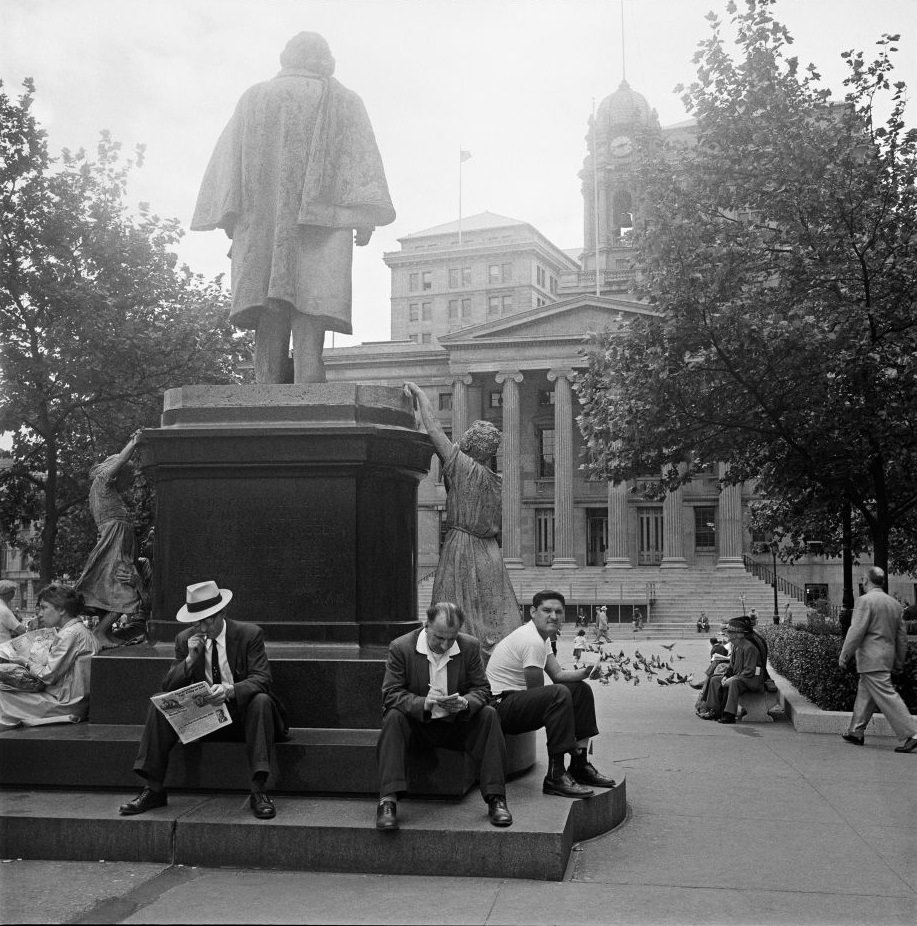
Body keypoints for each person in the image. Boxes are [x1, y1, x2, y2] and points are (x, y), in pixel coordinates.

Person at [191, 32, 395, 385]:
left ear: (286, 57)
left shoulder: (255, 98)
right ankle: (308, 385)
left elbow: (226, 167)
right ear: (325, 58)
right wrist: (364, 218)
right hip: (325, 224)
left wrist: (231, 217)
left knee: (270, 310)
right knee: (311, 308)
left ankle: (265, 388)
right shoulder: (345, 100)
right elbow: (362, 168)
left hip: (262, 224)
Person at [118, 581, 289, 820]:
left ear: (222, 614)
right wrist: (189, 661)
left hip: (242, 716)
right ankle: (154, 788)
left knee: (261, 700)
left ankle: (259, 790)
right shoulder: (185, 640)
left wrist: (231, 690)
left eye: (206, 620)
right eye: (195, 621)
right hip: (205, 719)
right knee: (159, 703)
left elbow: (262, 679)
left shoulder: (249, 634)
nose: (201, 627)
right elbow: (168, 687)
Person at [404, 381, 520, 658]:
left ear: (469, 442)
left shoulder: (462, 466)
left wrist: (420, 395)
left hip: (462, 548)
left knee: (451, 608)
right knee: (490, 619)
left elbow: (434, 430)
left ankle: (455, 663)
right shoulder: (495, 480)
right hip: (489, 553)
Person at [375, 602, 511, 832]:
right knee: (393, 717)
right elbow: (390, 694)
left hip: (456, 724)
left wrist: (466, 703)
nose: (445, 644)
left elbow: (483, 690)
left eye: (451, 638)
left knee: (488, 715)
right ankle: (387, 801)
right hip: (418, 725)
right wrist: (423, 703)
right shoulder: (401, 647)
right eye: (439, 638)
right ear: (426, 626)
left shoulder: (469, 646)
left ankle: (496, 799)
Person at [486, 590, 616, 799]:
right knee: (559, 694)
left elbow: (557, 674)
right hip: (499, 706)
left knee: (581, 690)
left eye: (558, 612)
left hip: (514, 701)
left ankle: (579, 765)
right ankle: (555, 775)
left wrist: (585, 673)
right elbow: (538, 694)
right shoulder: (532, 640)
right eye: (547, 610)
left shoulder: (542, 637)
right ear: (532, 612)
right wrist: (568, 734)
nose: (553, 616)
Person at [75, 430, 144, 648]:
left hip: (118, 541)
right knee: (124, 592)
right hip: (114, 541)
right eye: (128, 480)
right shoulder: (102, 481)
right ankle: (100, 632)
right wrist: (133, 443)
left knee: (120, 588)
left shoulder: (107, 489)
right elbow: (121, 459)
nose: (129, 485)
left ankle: (102, 633)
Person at [838, 567, 917, 754]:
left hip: (871, 658)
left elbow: (856, 631)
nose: (862, 581)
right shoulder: (894, 604)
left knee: (887, 696)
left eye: (863, 579)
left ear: (867, 580)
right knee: (865, 693)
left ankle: (912, 734)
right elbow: (902, 637)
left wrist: (844, 655)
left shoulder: (864, 601)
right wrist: (898, 660)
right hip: (885, 658)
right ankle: (856, 731)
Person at [0, 584, 99, 729]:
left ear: (61, 610)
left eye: (44, 607)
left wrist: (25, 662)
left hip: (65, 704)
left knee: (2, 696)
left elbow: (48, 675)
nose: (40, 614)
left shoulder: (70, 634)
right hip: (68, 698)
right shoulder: (78, 631)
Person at [698, 617, 764, 723]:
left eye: (729, 632)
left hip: (751, 680)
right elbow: (732, 667)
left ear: (737, 634)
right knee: (715, 679)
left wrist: (732, 678)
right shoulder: (736, 646)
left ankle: (729, 715)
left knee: (734, 683)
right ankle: (714, 710)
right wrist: (726, 676)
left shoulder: (749, 648)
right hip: (740, 677)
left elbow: (749, 671)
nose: (727, 635)